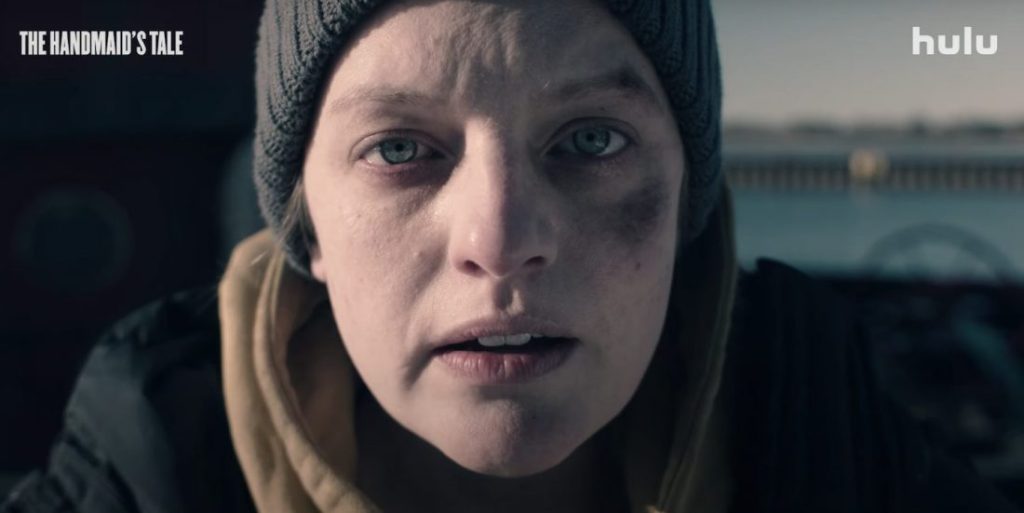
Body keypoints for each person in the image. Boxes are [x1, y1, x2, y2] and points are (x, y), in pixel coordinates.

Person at [2, 0, 1020, 512]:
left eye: (591, 140)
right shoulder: (144, 471)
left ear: (689, 206)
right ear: (306, 230)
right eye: (398, 150)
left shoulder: (843, 453)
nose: (499, 243)